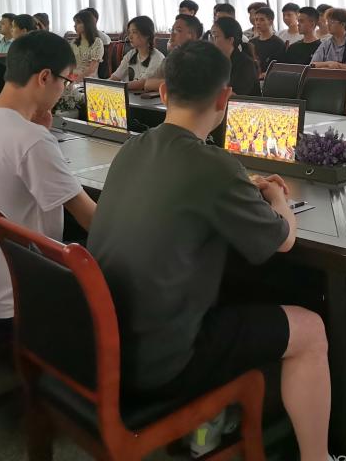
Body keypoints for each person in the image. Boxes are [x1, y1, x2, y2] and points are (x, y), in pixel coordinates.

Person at [87, 41, 330, 460]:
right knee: (310, 330)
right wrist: (278, 199)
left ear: (164, 92)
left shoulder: (133, 148)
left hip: (109, 345)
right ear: (225, 98)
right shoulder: (215, 166)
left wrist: (237, 189)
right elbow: (283, 240)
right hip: (165, 361)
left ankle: (210, 422)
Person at [0, 31, 96, 321]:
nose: (64, 90)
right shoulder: (30, 139)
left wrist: (39, 133)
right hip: (22, 298)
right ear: (45, 77)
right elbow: (91, 219)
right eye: (65, 81)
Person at [141, 14, 203, 92]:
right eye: (172, 30)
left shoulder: (201, 59)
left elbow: (189, 85)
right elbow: (148, 84)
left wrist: (165, 83)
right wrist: (175, 83)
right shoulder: (171, 58)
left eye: (178, 30)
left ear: (192, 36)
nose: (172, 35)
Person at [210, 17, 260, 96]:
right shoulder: (215, 61)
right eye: (211, 36)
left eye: (216, 37)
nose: (212, 41)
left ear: (230, 40)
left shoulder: (245, 64)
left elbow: (235, 95)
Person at [113, 15, 165, 87]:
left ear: (147, 35)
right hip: (128, 92)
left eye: (134, 32)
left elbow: (142, 83)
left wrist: (117, 87)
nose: (130, 36)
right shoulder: (130, 54)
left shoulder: (157, 57)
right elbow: (115, 77)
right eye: (129, 32)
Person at [250, 6, 286, 77]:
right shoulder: (251, 42)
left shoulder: (278, 43)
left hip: (270, 78)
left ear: (271, 22)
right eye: (256, 20)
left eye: (262, 20)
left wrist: (265, 74)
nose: (258, 23)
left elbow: (280, 67)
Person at [70, 8, 104, 81]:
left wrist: (76, 80)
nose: (75, 26)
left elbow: (92, 69)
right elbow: (69, 65)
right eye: (75, 23)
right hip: (73, 78)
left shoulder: (97, 42)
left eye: (78, 23)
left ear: (87, 24)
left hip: (89, 80)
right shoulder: (73, 43)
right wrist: (69, 79)